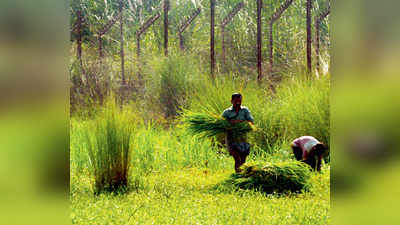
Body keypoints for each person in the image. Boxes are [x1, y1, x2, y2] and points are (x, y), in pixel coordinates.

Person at [222, 93, 254, 172]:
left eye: (240, 101)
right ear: (231, 101)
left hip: (243, 138)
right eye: (236, 101)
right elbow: (221, 123)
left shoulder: (245, 110)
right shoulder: (227, 112)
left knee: (243, 160)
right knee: (237, 159)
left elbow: (251, 121)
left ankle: (241, 177)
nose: (238, 103)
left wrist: (240, 122)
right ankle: (237, 175)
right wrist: (230, 123)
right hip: (231, 139)